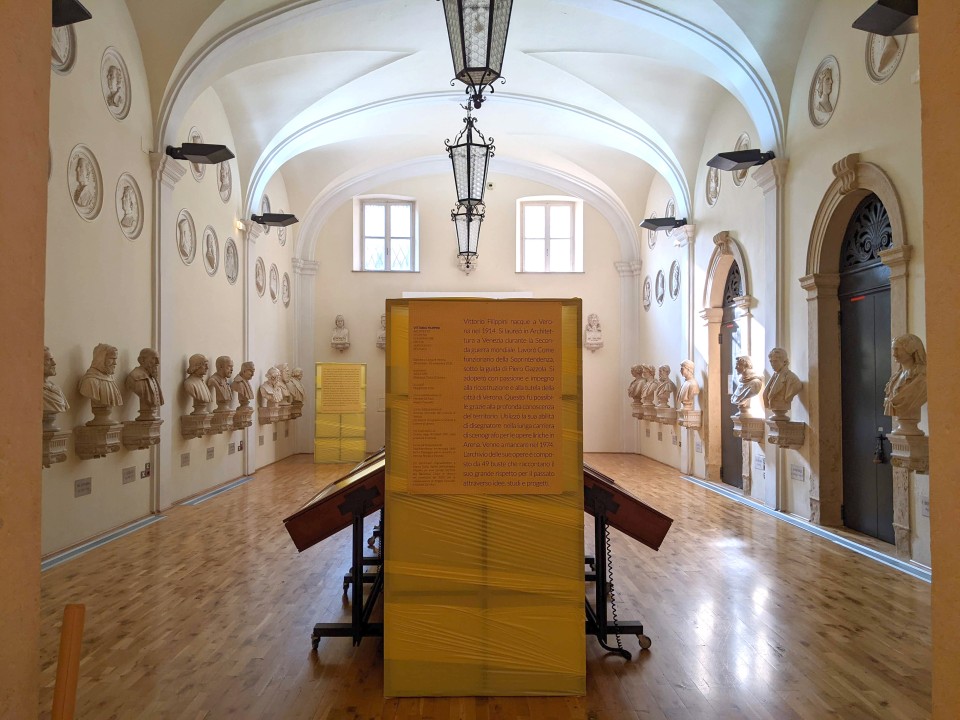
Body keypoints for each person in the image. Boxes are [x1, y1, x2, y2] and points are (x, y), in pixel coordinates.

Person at [883, 333, 927, 436]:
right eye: (893, 349)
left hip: (911, 433)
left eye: (897, 349)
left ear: (911, 350)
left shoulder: (923, 378)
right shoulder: (895, 379)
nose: (894, 354)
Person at [78, 343, 123, 424]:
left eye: (115, 359)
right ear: (101, 359)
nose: (115, 363)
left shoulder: (110, 379)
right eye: (112, 358)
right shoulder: (90, 381)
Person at [762, 348, 802, 421]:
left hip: (782, 408)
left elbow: (795, 388)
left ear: (784, 362)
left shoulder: (792, 378)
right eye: (771, 361)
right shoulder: (774, 376)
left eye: (775, 361)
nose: (772, 364)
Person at [125, 348, 164, 421]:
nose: (157, 362)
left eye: (158, 359)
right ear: (142, 360)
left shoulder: (152, 377)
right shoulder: (135, 377)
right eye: (154, 358)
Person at [42, 346, 69, 431]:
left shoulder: (56, 389)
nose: (54, 363)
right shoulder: (31, 390)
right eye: (49, 360)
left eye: (52, 359)